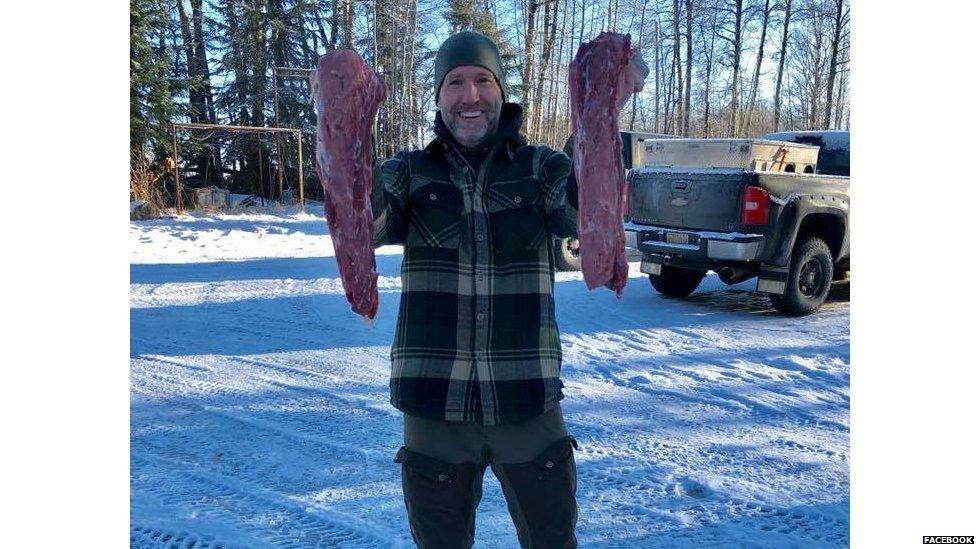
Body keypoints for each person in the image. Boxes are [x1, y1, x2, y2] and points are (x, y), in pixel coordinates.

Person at [368, 30, 646, 548]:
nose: (469, 95)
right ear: (438, 95)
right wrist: (348, 135)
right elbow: (368, 223)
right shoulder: (409, 171)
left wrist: (601, 113)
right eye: (455, 82)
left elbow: (585, 209)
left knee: (552, 541)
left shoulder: (541, 168)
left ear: (501, 90)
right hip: (434, 404)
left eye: (482, 80)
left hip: (527, 400)